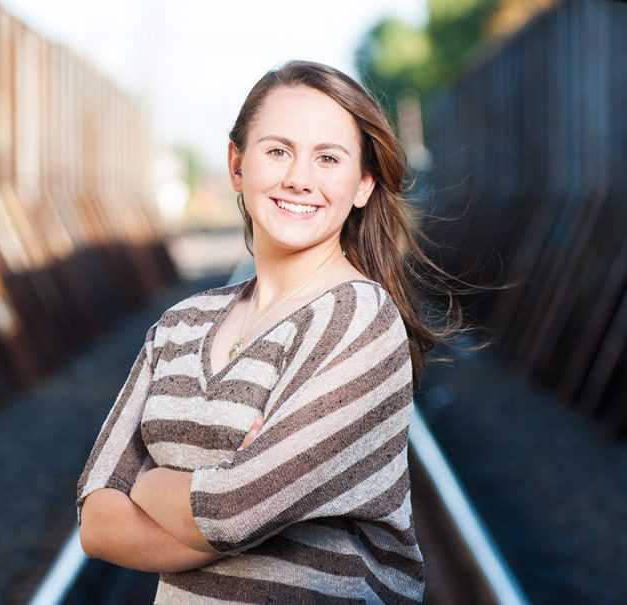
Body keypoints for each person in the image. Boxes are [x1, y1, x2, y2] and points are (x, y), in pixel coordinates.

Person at [76, 59, 484, 604]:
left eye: (328, 158)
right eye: (277, 151)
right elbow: (96, 522)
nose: (299, 178)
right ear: (236, 166)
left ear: (363, 184)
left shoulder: (360, 319)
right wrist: (225, 492)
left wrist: (149, 483)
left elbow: (234, 511)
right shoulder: (179, 325)